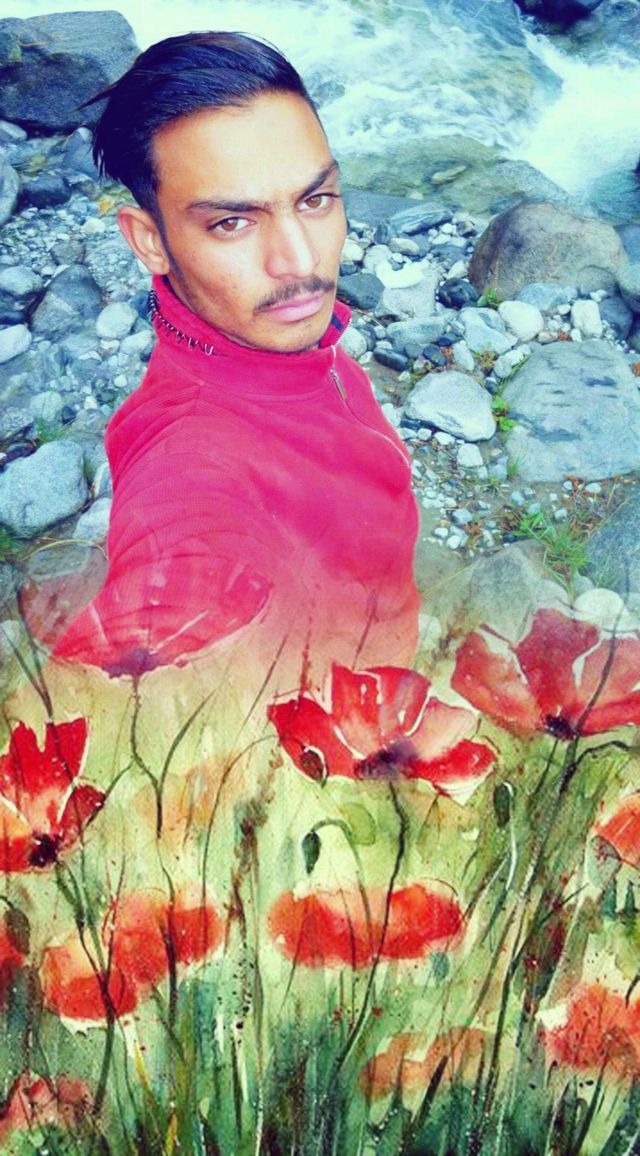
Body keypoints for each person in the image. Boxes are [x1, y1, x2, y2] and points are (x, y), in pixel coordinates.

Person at [53, 31, 420, 697]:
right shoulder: (189, 475)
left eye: (315, 200)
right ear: (149, 241)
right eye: (231, 223)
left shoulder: (284, 341)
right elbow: (125, 666)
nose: (299, 261)